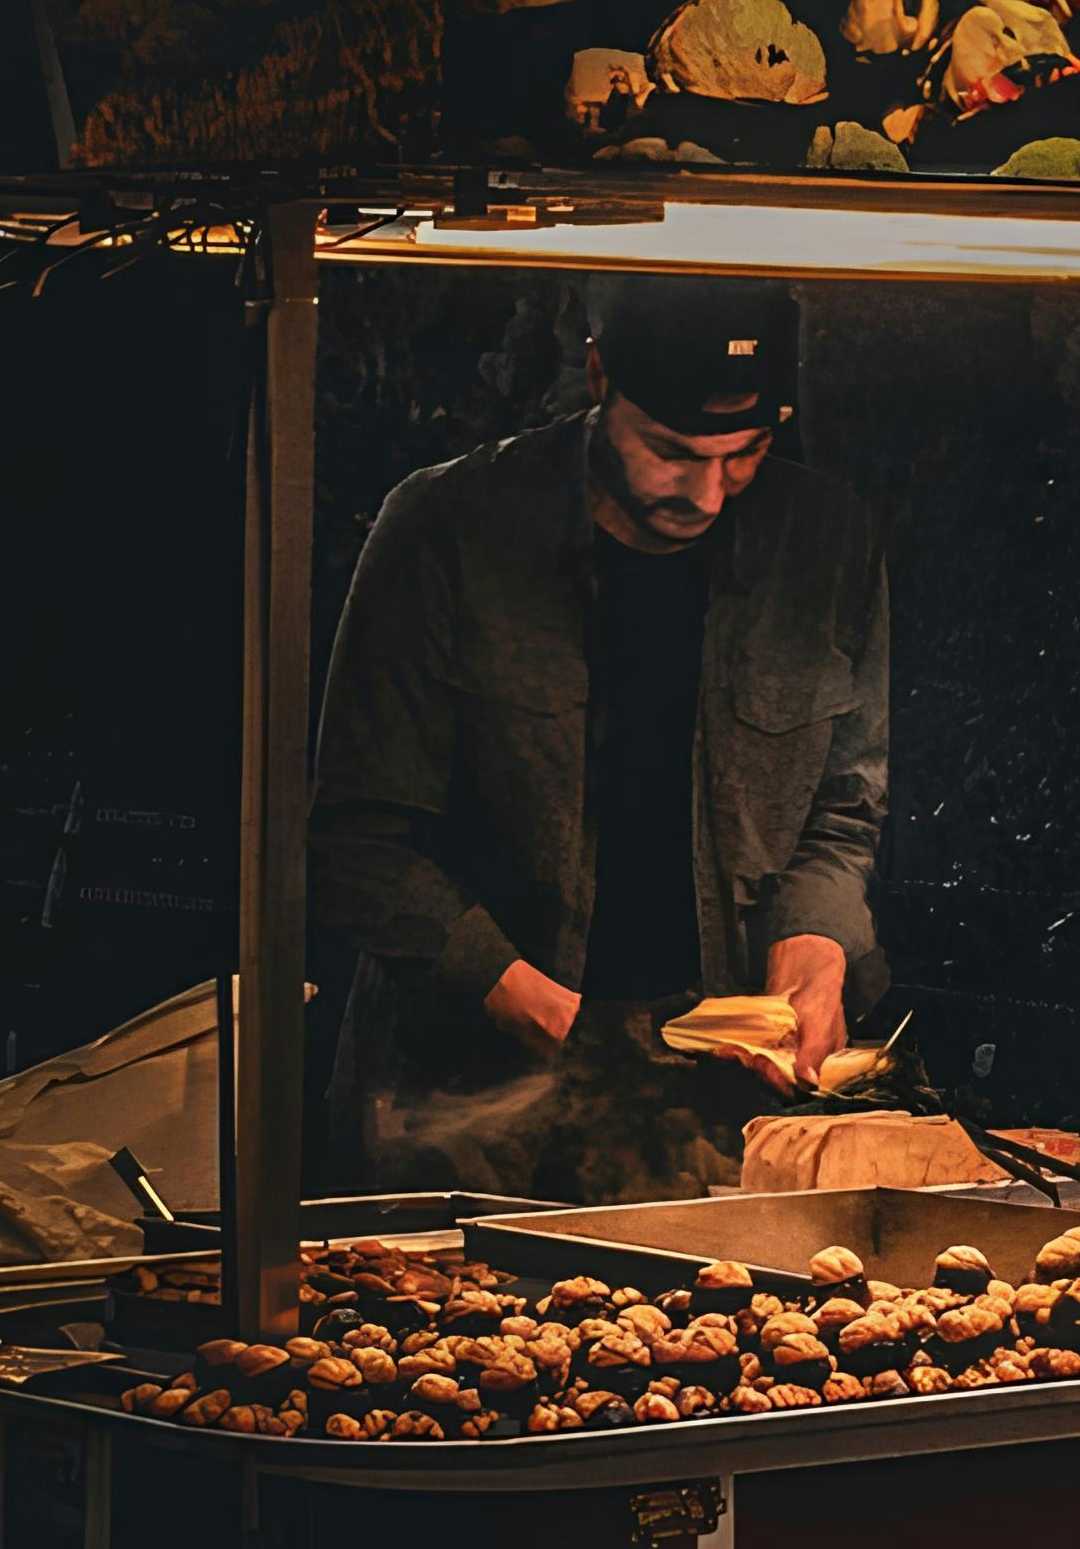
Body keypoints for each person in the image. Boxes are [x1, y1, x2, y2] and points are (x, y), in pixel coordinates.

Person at [309, 277, 886, 1193]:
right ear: (596, 374)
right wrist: (524, 998)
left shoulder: (824, 541)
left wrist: (814, 946)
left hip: (713, 1108)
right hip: (463, 1105)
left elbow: (841, 811)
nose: (708, 493)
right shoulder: (447, 530)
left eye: (747, 454)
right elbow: (353, 838)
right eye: (671, 452)